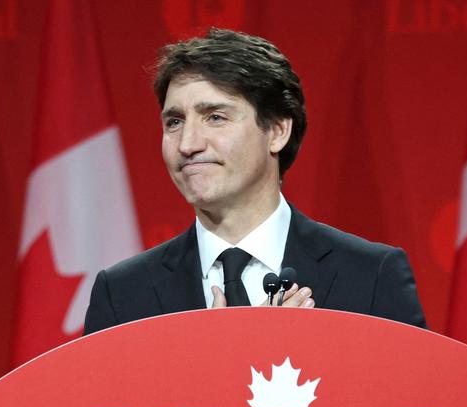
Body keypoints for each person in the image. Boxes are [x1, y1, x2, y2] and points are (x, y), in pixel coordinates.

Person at [84, 28, 425, 335]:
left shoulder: (371, 276)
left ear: (277, 131)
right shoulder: (123, 294)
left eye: (215, 117)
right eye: (174, 122)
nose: (187, 144)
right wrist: (220, 362)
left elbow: (413, 403)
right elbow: (96, 406)